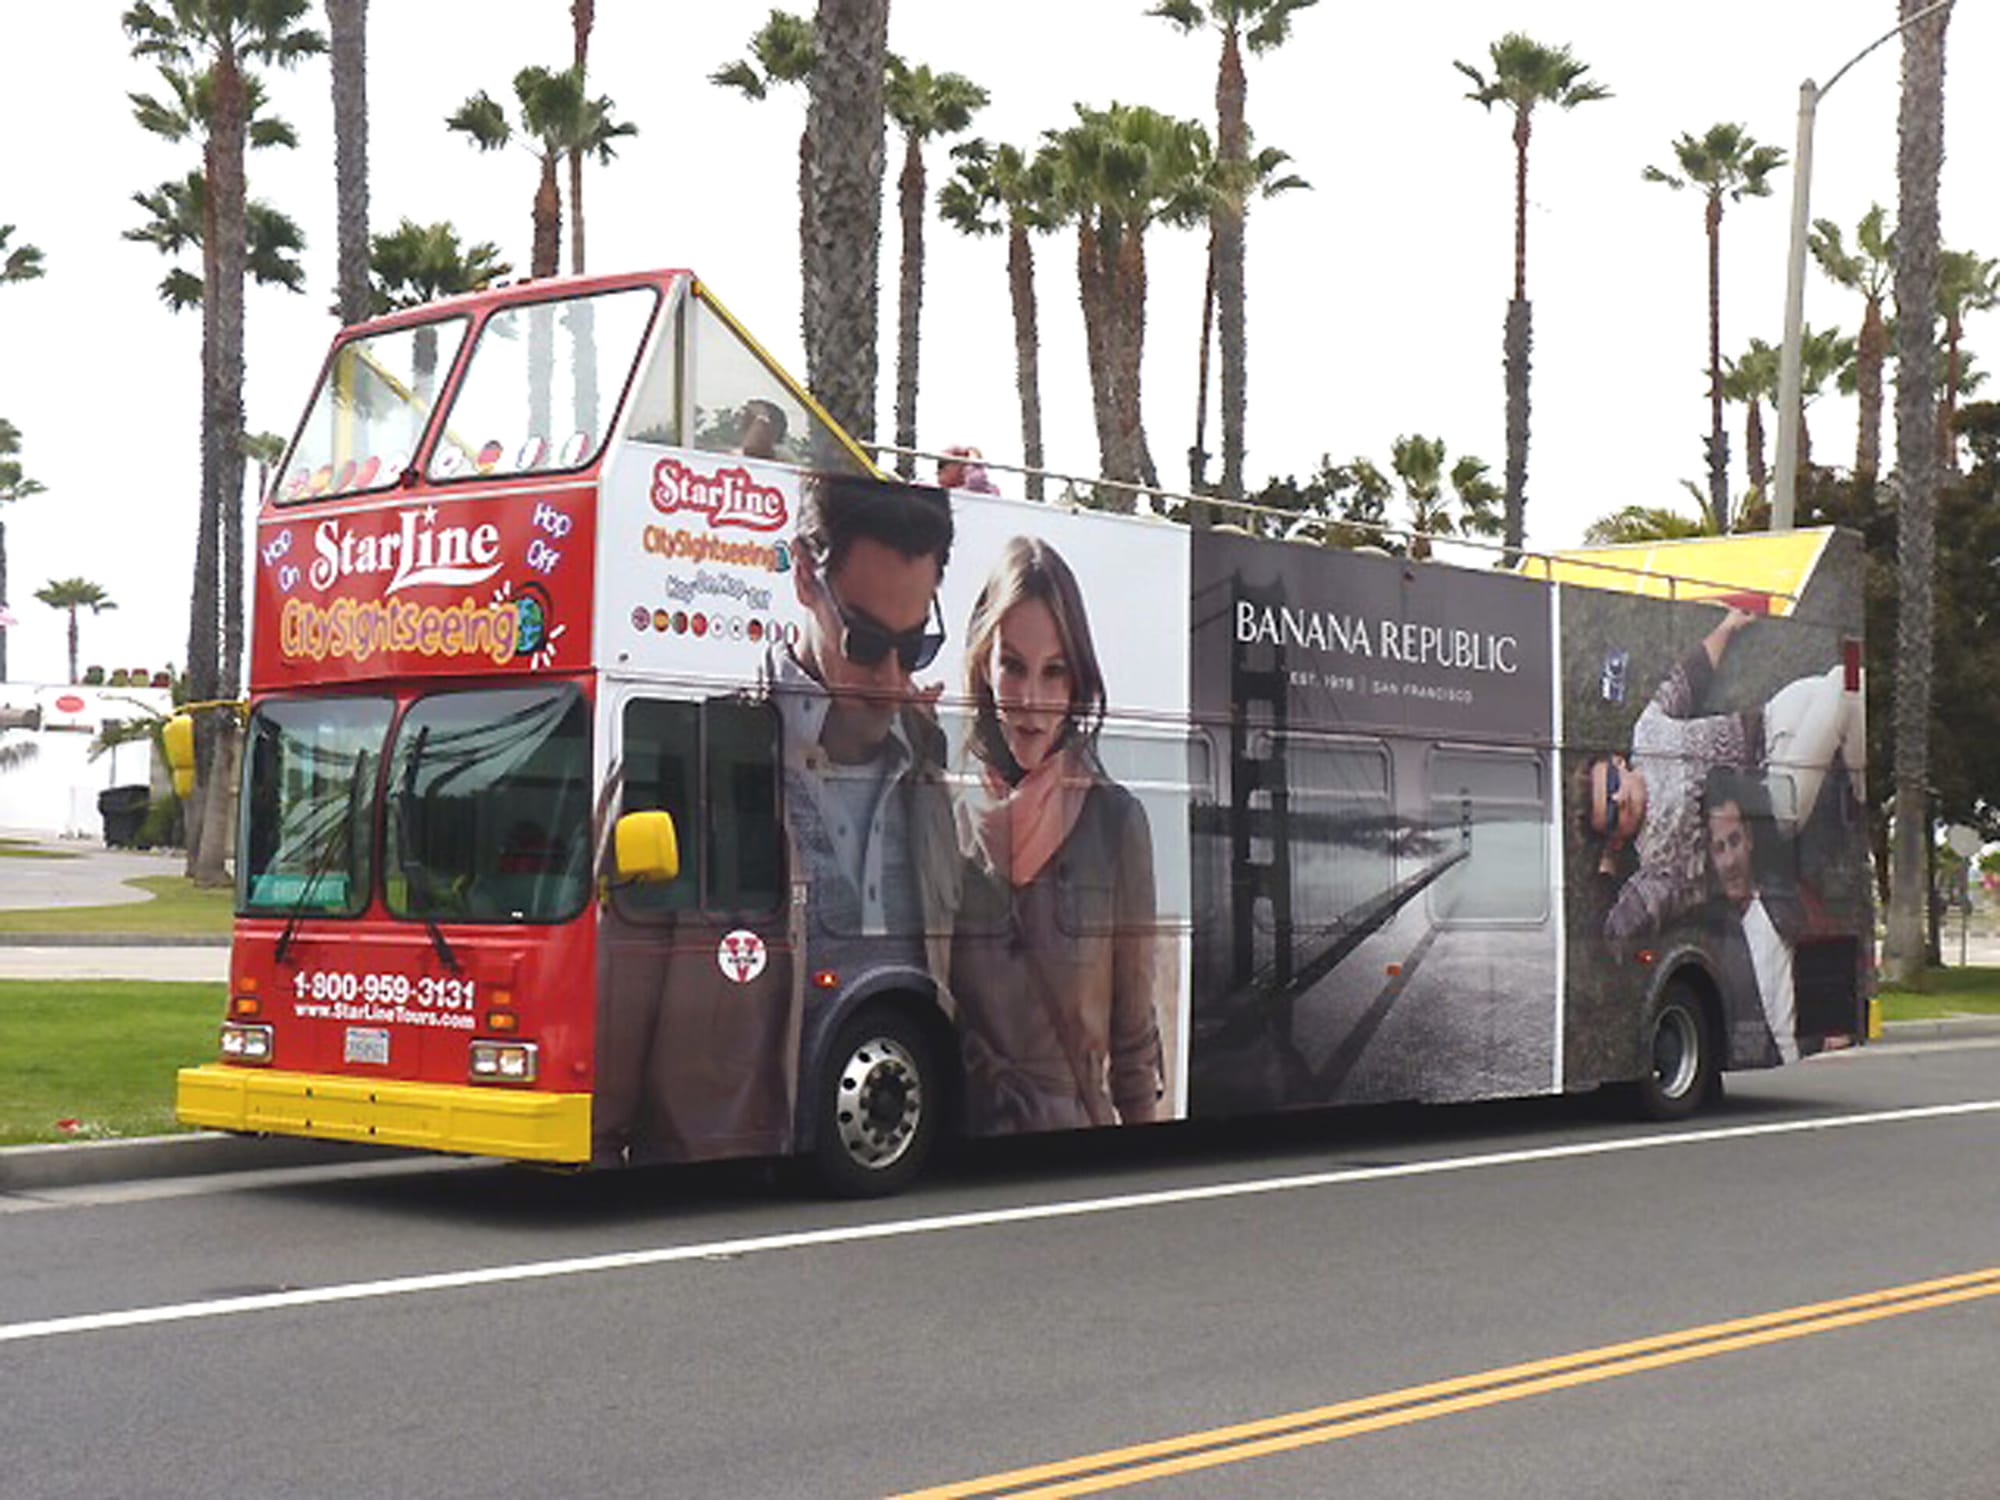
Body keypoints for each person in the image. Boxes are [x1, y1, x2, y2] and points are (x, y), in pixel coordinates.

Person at [949, 535, 1166, 1133]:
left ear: (1076, 687)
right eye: (1013, 666)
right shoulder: (944, 818)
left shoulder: (1116, 824)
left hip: (1070, 1149)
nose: (1031, 701)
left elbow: (1133, 1038)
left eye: (1054, 672)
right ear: (983, 666)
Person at [768, 472, 961, 996]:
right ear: (804, 577)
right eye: (866, 643)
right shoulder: (706, 755)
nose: (891, 680)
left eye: (915, 646)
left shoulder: (936, 770)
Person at [1580, 606, 1864, 943]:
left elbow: (1689, 677)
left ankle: (1854, 778)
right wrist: (1607, 863)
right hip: (1772, 804)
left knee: (1849, 684)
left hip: (1770, 723)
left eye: (1612, 785)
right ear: (1616, 837)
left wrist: (1727, 627)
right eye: (1612, 813)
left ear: (1618, 763)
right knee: (1844, 684)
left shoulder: (1647, 732)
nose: (1619, 798)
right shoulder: (1657, 867)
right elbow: (1613, 931)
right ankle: (1861, 793)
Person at [1702, 767, 1803, 1066]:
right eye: (1718, 849)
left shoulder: (1786, 908)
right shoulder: (1712, 936)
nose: (1730, 861)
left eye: (1734, 841)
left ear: (1749, 839)